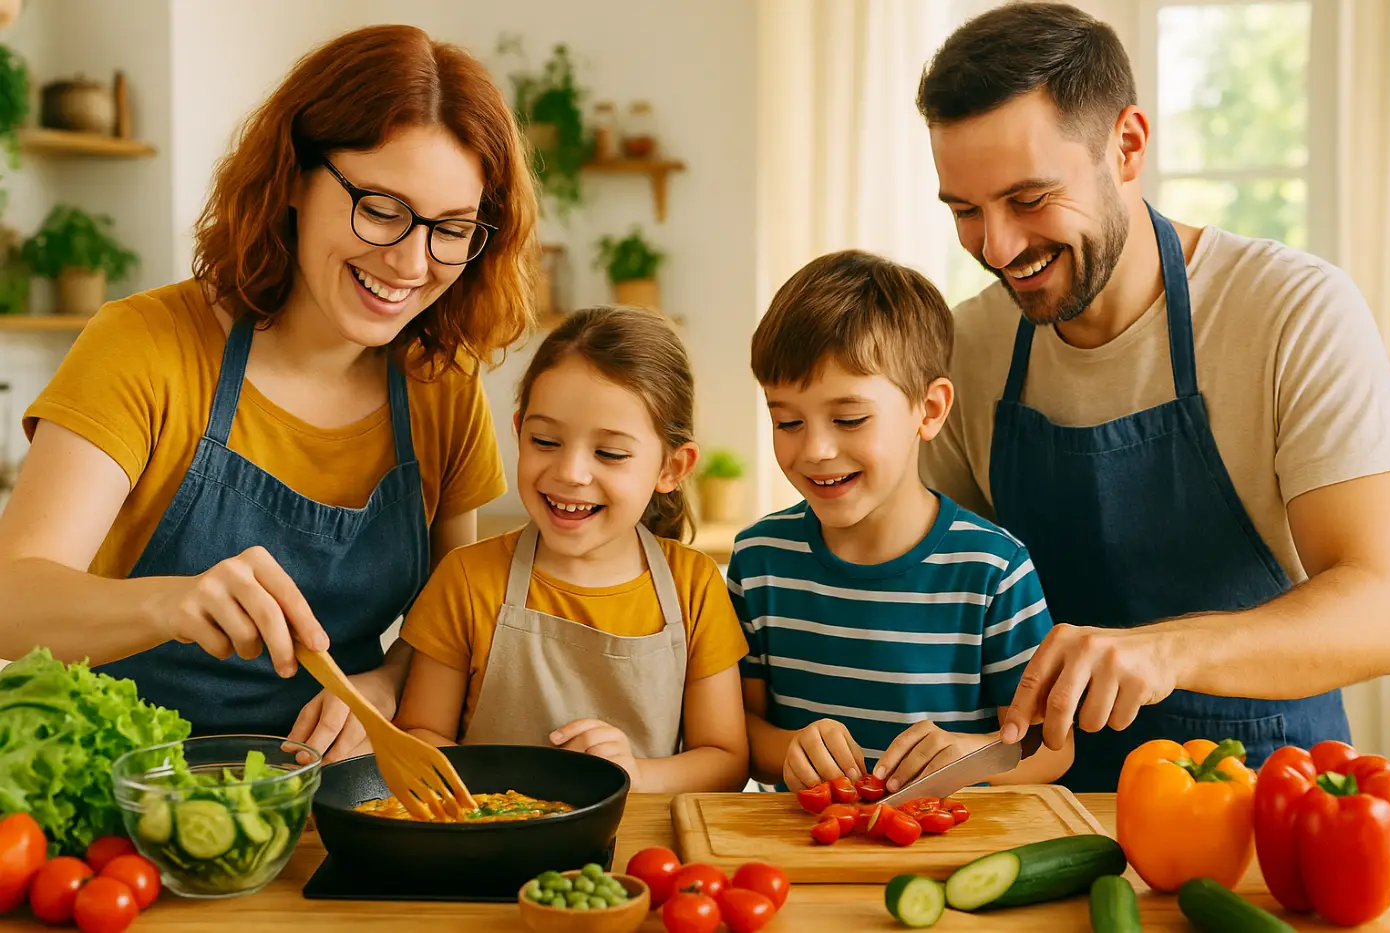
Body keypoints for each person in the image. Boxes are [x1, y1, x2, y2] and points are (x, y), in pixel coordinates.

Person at [0, 24, 538, 761]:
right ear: (292, 174)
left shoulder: (441, 385)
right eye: (380, 208)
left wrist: (384, 685)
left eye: (451, 228)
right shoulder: (145, 345)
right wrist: (170, 601)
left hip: (329, 795)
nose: (412, 262)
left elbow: (445, 622)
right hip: (122, 795)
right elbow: (12, 599)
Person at [916, 3, 1390, 791]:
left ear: (1128, 145)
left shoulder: (1291, 311)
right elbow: (930, 574)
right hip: (1041, 802)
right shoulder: (968, 346)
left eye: (1030, 198)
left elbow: (1385, 604)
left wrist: (1164, 650)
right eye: (966, 212)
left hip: (1261, 802)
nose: (997, 248)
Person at [732, 249, 1073, 793]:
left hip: (951, 855)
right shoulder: (757, 561)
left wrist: (970, 758)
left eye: (849, 419)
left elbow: (1050, 748)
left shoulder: (992, 569)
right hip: (808, 856)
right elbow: (739, 733)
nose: (816, 449)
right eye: (787, 420)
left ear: (930, 410)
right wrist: (789, 750)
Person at [392, 307, 751, 793]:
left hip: (637, 858)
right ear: (519, 432)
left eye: (610, 453)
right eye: (546, 440)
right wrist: (516, 789)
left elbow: (726, 761)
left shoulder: (696, 586)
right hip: (491, 844)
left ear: (672, 467)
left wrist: (638, 773)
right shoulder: (467, 578)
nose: (571, 472)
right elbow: (418, 736)